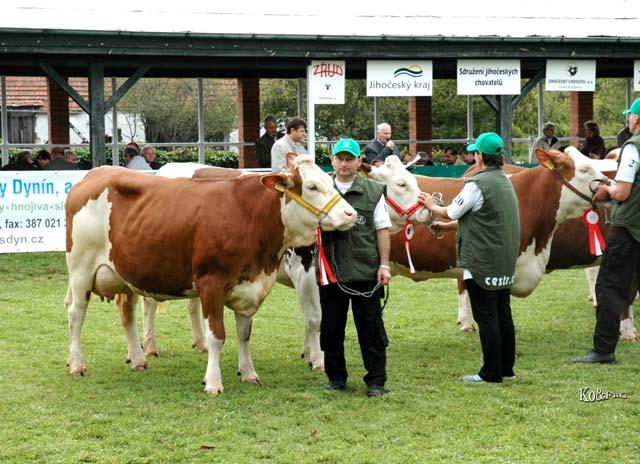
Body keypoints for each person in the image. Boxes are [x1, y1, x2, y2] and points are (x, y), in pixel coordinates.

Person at [418, 132, 520, 383]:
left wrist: (431, 204)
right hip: (503, 259)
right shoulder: (505, 181)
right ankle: (506, 368)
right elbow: (481, 218)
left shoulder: (476, 183)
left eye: (475, 152)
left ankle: (491, 372)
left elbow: (450, 209)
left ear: (480, 156)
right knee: (503, 314)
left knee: (486, 317)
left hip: (482, 261)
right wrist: (450, 226)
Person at [319, 137, 392, 397]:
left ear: (359, 161)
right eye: (340, 158)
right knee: (331, 329)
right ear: (332, 161)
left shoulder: (374, 191)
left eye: (350, 158)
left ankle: (375, 381)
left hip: (365, 271)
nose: (345, 163)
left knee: (371, 329)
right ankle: (336, 378)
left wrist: (384, 265)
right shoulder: (320, 189)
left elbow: (382, 230)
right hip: (331, 272)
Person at [572, 97, 640, 365]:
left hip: (629, 227)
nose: (628, 120)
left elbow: (622, 192)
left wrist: (607, 189)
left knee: (610, 286)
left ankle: (603, 350)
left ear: (636, 119)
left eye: (630, 116)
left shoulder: (632, 148)